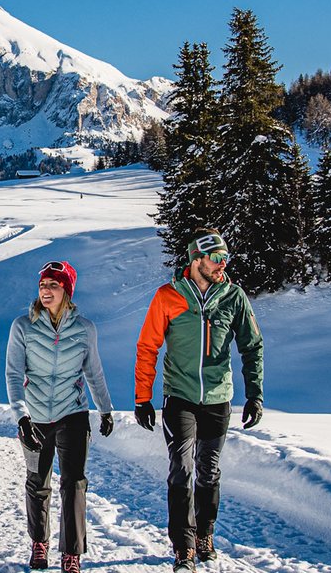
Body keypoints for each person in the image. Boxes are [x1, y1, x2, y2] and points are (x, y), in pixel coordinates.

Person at [132, 230, 265, 571]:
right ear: (197, 260)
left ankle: (205, 534)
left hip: (219, 397)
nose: (223, 265)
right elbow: (148, 346)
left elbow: (251, 347)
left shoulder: (233, 297)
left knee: (209, 470)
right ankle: (184, 547)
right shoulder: (168, 297)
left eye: (226, 259)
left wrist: (255, 395)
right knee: (182, 468)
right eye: (217, 259)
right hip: (180, 397)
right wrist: (142, 398)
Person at [5, 260, 114, 572]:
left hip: (73, 413)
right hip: (35, 415)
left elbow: (94, 372)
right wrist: (21, 417)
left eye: (53, 284)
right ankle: (39, 542)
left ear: (67, 290)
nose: (45, 290)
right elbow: (14, 374)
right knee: (38, 482)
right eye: (42, 285)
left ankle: (71, 553)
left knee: (74, 482)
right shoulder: (23, 326)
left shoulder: (84, 329)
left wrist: (105, 409)